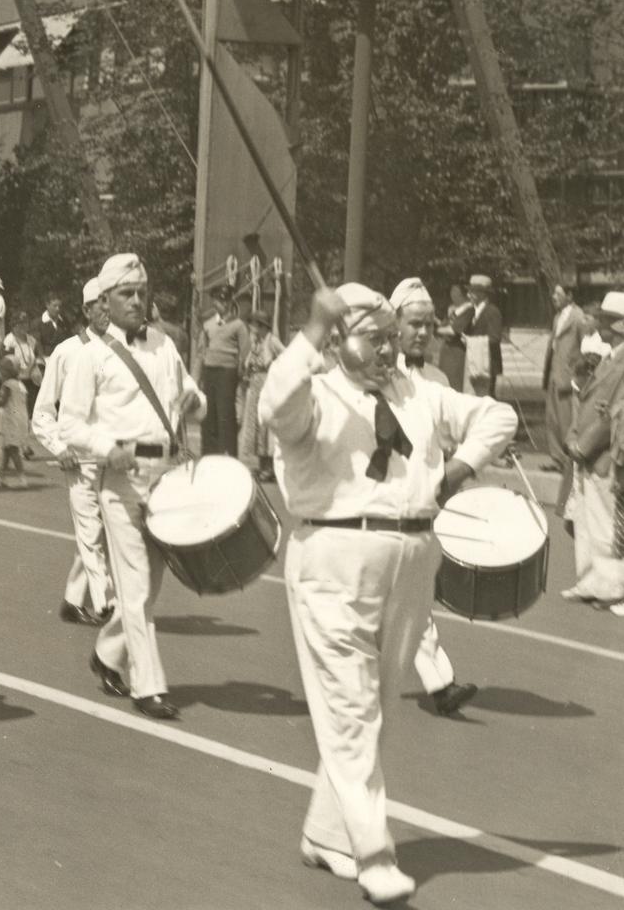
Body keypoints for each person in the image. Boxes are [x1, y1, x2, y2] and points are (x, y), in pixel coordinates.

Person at [261, 283, 514, 905]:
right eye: (371, 337)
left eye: (390, 337)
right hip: (334, 559)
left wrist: (457, 471)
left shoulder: (416, 392)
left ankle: (326, 833)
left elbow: (497, 417)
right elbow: (274, 406)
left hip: (410, 561)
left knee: (377, 710)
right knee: (352, 711)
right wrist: (312, 331)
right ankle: (374, 853)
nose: (386, 349)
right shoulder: (313, 394)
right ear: (338, 340)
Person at [58, 253, 204, 721]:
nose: (137, 301)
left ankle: (107, 655)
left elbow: (194, 401)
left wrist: (192, 399)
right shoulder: (91, 355)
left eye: (142, 292)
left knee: (150, 587)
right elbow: (71, 426)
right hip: (119, 480)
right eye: (127, 294)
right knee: (136, 587)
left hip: (166, 478)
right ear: (105, 300)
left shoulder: (163, 344)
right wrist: (107, 447)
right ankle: (149, 686)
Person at [387, 277, 484, 716]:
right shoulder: (375, 376)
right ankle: (435, 684)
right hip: (380, 506)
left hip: (422, 511)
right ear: (394, 325)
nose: (423, 333)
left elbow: (449, 433)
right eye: (414, 324)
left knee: (414, 601)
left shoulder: (439, 378)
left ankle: (440, 685)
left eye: (429, 324)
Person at [31, 278, 114, 625]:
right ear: (86, 309)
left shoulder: (122, 352)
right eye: (101, 303)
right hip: (79, 459)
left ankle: (72, 599)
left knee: (104, 534)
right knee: (92, 532)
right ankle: (107, 605)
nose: (108, 309)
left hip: (113, 458)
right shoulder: (66, 352)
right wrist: (59, 447)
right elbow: (42, 413)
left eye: (112, 302)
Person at [563, 291, 624, 611]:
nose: (598, 324)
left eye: (604, 319)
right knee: (586, 520)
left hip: (601, 453)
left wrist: (583, 446)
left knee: (604, 524)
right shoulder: (611, 357)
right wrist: (574, 437)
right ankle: (589, 580)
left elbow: (613, 412)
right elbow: (588, 401)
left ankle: (611, 587)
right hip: (587, 451)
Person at [540, 282, 586, 478]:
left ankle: (569, 462)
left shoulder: (578, 317)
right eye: (553, 294)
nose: (554, 297)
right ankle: (557, 458)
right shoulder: (558, 316)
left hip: (567, 376)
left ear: (570, 295)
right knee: (552, 419)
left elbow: (586, 347)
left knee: (567, 419)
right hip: (553, 375)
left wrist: (577, 373)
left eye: (558, 294)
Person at [198, 286, 250, 455]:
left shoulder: (239, 325)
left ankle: (228, 455)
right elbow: (201, 352)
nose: (223, 304)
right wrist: (197, 377)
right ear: (214, 302)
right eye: (220, 301)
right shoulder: (207, 325)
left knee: (226, 415)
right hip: (209, 372)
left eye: (226, 300)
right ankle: (209, 454)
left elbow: (246, 353)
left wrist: (242, 376)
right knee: (209, 415)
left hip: (228, 373)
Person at [237, 310, 280, 483]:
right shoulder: (256, 342)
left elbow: (285, 356)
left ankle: (270, 468)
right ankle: (262, 466)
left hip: (267, 384)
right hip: (254, 385)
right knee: (255, 425)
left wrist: (276, 370)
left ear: (262, 326)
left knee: (266, 428)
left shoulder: (272, 340)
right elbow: (248, 362)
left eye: (255, 324)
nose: (252, 327)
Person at [0, 311, 38, 481]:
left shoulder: (31, 340)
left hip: (27, 380)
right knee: (9, 445)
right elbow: (7, 359)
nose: (24, 327)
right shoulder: (9, 340)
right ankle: (5, 473)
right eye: (20, 324)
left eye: (26, 323)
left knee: (24, 415)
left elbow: (36, 358)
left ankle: (19, 472)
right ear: (14, 325)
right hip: (17, 380)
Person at [458, 274, 504, 397]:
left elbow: (495, 338)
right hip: (475, 365)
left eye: (473, 292)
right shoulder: (472, 311)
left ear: (483, 294)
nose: (469, 295)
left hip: (487, 368)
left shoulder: (492, 311)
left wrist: (470, 341)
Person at [435, 282, 471, 391]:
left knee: (454, 381)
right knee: (445, 380)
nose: (452, 294)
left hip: (457, 351)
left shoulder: (468, 310)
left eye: (455, 291)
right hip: (447, 350)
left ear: (463, 294)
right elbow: (444, 325)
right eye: (451, 291)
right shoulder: (454, 310)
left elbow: (453, 330)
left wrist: (435, 330)